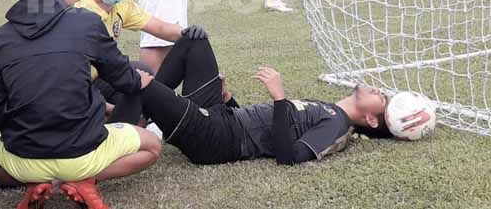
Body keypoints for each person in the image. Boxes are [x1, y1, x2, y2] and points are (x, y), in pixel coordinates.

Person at [0, 0, 162, 209]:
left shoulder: (0, 37)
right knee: (152, 146)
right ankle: (79, 179)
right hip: (82, 151)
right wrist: (138, 80)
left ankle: (41, 179)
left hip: (24, 154)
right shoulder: (86, 22)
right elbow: (123, 78)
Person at [127, 36, 394, 165]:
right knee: (195, 41)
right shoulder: (330, 109)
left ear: (371, 120)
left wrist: (279, 99)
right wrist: (230, 100)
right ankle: (146, 115)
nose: (379, 90)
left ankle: (103, 141)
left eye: (383, 99)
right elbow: (260, 131)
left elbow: (289, 156)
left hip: (215, 139)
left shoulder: (337, 126)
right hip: (223, 116)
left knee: (141, 80)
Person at [73, 0, 208, 119]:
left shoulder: (122, 4)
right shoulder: (80, 13)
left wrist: (186, 33)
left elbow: (159, 27)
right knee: (134, 77)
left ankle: (138, 118)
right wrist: (107, 108)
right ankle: (118, 128)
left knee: (138, 72)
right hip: (79, 85)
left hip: (102, 78)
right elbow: (70, 77)